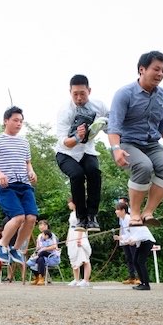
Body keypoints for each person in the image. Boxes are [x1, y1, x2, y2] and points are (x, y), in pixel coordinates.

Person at [107, 51, 163, 227]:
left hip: (152, 144)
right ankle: (135, 214)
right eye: (156, 69)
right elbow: (114, 126)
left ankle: (148, 212)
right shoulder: (124, 94)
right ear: (142, 69)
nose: (160, 74)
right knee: (144, 166)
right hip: (128, 142)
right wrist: (116, 149)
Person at [0, 106, 38, 265]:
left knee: (31, 218)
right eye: (15, 120)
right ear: (6, 121)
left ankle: (16, 248)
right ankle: (2, 245)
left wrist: (32, 172)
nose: (19, 124)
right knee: (19, 216)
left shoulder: (24, 142)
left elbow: (28, 163)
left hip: (24, 184)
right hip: (6, 186)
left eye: (21, 121)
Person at [55, 74, 109, 232]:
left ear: (89, 91)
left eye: (82, 94)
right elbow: (64, 141)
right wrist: (78, 137)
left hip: (88, 151)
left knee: (94, 172)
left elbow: (111, 126)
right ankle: (81, 217)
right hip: (66, 153)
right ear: (70, 92)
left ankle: (92, 216)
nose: (79, 98)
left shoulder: (99, 106)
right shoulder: (65, 111)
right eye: (75, 94)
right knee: (77, 175)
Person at [118, 223, 156, 291]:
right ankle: (142, 282)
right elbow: (130, 236)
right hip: (141, 243)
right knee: (135, 261)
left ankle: (146, 284)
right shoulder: (132, 227)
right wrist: (122, 238)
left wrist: (132, 240)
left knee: (141, 262)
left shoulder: (137, 225)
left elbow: (138, 235)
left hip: (147, 242)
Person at [66, 200, 92, 287]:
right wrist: (68, 238)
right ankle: (76, 279)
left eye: (69, 202)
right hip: (72, 233)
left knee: (84, 258)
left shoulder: (81, 213)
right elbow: (70, 226)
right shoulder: (72, 214)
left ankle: (86, 280)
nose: (68, 204)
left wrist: (79, 238)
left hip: (79, 233)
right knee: (73, 256)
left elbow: (82, 225)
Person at [27, 221, 60, 286]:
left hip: (51, 255)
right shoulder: (39, 236)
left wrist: (45, 248)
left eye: (44, 225)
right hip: (41, 255)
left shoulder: (52, 235)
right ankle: (38, 277)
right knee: (39, 259)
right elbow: (38, 247)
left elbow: (54, 246)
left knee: (39, 258)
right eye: (40, 225)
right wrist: (35, 252)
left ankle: (41, 278)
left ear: (47, 226)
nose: (41, 227)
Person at [114, 200, 139, 285]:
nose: (115, 211)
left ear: (123, 210)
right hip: (126, 241)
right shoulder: (122, 219)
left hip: (133, 241)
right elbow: (125, 231)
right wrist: (120, 238)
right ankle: (132, 277)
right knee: (129, 259)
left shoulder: (129, 218)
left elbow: (132, 232)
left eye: (117, 209)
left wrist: (121, 238)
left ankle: (138, 277)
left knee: (135, 258)